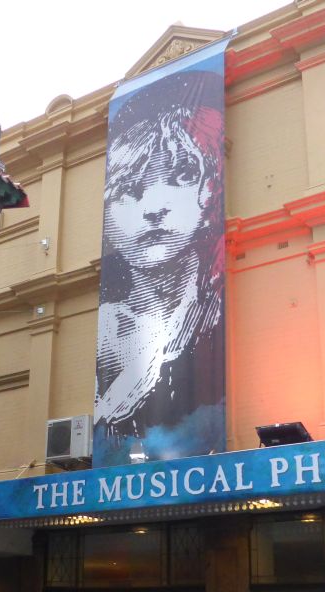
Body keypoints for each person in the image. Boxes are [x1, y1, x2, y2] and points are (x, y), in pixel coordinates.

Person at [94, 69, 226, 466]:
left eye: (180, 175)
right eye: (126, 190)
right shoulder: (105, 331)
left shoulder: (212, 317)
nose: (153, 208)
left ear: (208, 190)